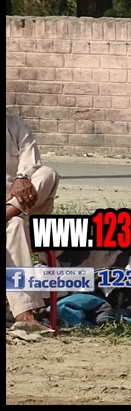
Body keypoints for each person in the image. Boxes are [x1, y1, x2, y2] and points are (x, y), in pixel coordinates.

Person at [6, 114, 60, 325]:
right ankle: (24, 313)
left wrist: (22, 177)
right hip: (15, 226)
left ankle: (10, 211)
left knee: (48, 174)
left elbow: (32, 162)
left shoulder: (15, 124)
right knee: (15, 224)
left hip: (30, 211)